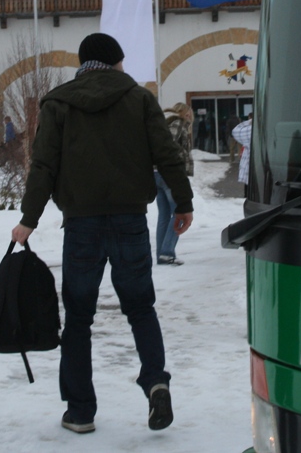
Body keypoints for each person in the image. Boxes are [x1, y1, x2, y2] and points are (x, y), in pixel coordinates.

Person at [11, 32, 193, 435]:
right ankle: (156, 382)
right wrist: (183, 202)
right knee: (141, 308)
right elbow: (167, 154)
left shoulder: (59, 102)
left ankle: (80, 412)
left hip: (82, 225)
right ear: (114, 61)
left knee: (78, 318)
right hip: (130, 220)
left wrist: (29, 219)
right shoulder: (139, 98)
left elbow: (43, 165)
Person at [154, 102, 194, 265]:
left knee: (164, 215)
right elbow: (169, 146)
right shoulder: (178, 122)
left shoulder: (162, 123)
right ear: (181, 112)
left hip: (156, 173)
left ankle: (162, 253)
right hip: (169, 174)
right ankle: (166, 252)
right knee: (178, 212)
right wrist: (181, 158)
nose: (189, 117)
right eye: (188, 113)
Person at [232, 114, 253, 198]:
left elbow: (235, 131)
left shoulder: (249, 131)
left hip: (249, 164)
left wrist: (250, 122)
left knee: (248, 185)